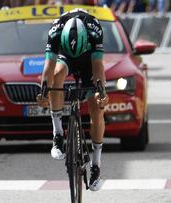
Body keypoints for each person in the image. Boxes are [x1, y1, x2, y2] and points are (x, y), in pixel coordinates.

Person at [36, 8, 109, 191]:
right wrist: (43, 93)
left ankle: (96, 165)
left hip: (89, 60)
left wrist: (101, 93)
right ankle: (58, 133)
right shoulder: (56, 30)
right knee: (57, 74)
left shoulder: (94, 29)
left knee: (97, 110)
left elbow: (98, 67)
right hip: (65, 56)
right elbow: (48, 68)